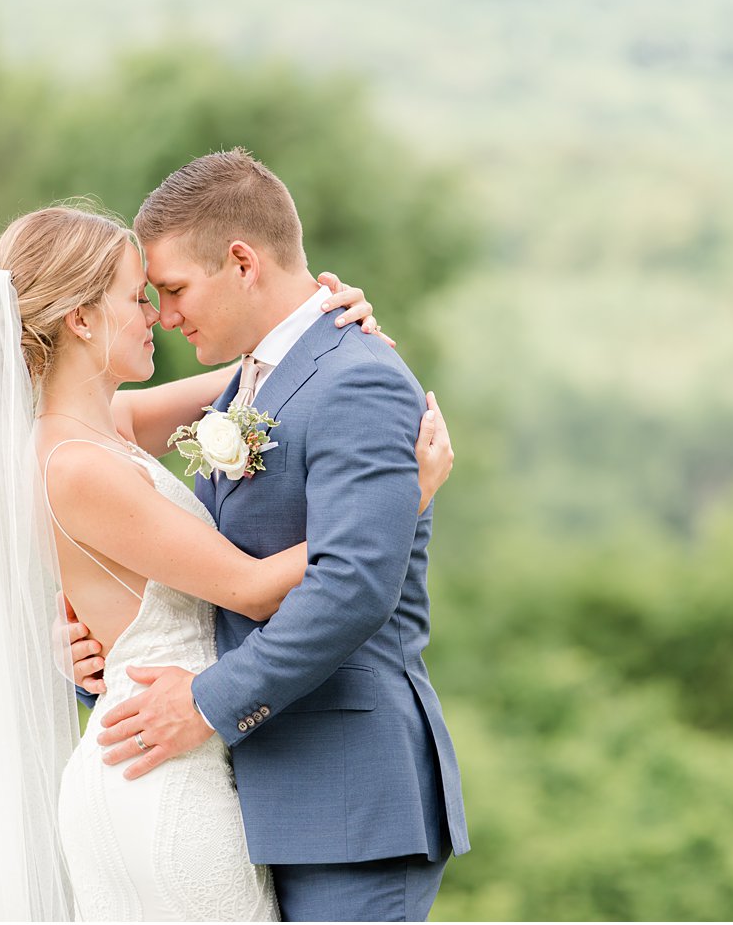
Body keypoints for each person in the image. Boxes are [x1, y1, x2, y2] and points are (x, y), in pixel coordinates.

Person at [0, 202, 453, 921]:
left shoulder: (103, 427)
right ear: (82, 319)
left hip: (140, 765)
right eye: (137, 297)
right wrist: (403, 498)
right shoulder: (74, 464)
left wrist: (324, 312)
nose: (158, 315)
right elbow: (248, 588)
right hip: (163, 782)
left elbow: (269, 381)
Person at [68, 148, 469, 922]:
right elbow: (196, 567)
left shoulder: (359, 376)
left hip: (347, 804)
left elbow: (353, 586)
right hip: (250, 798)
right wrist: (96, 642)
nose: (167, 314)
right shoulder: (246, 383)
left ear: (242, 261)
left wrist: (206, 703)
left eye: (176, 288)